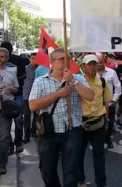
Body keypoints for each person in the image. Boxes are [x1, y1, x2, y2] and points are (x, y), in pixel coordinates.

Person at [29, 48, 95, 187]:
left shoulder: (78, 78)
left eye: (68, 59)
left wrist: (74, 82)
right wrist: (58, 94)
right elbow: (33, 105)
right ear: (52, 62)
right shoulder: (41, 81)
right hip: (48, 131)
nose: (66, 62)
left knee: (71, 170)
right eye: (61, 59)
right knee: (47, 170)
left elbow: (91, 96)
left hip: (72, 130)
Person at [79, 54, 112, 187]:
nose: (93, 67)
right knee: (78, 154)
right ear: (84, 66)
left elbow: (106, 102)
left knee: (99, 154)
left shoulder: (102, 82)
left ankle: (101, 183)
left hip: (98, 122)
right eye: (90, 64)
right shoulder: (78, 81)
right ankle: (80, 180)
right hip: (81, 124)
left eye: (95, 64)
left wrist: (107, 120)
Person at [1, 41, 29, 154]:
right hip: (5, 98)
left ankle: (17, 143)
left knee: (18, 119)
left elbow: (26, 73)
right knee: (8, 124)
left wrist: (17, 79)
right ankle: (11, 144)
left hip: (16, 95)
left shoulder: (19, 60)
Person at [0, 47, 19, 175]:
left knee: (4, 137)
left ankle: (2, 164)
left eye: (4, 57)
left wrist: (11, 89)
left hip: (5, 108)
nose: (1, 59)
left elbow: (17, 89)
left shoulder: (11, 72)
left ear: (7, 58)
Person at [96, 54, 121, 149]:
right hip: (96, 105)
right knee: (98, 124)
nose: (99, 64)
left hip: (109, 103)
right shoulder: (91, 74)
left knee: (110, 123)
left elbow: (118, 86)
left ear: (104, 61)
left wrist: (115, 99)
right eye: (97, 63)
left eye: (101, 62)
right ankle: (98, 140)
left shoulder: (112, 72)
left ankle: (107, 139)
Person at [22, 53, 38, 143]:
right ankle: (26, 136)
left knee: (37, 115)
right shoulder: (25, 69)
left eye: (36, 58)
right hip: (26, 95)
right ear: (29, 59)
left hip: (37, 95)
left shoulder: (41, 69)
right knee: (26, 116)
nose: (34, 60)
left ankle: (34, 131)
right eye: (32, 58)